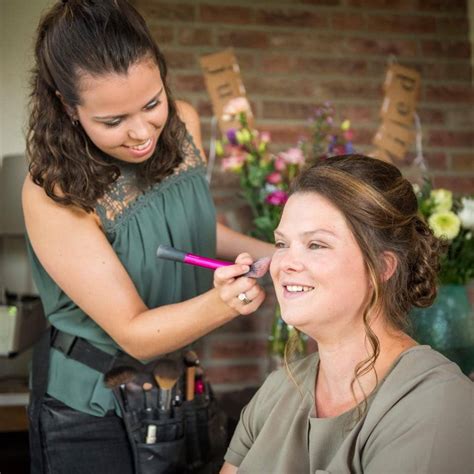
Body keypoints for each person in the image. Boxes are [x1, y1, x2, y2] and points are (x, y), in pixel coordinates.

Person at [23, 1, 273, 472]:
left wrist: (283, 255)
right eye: (113, 122)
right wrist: (227, 301)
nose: (141, 133)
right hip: (93, 411)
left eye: (152, 103)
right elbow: (136, 334)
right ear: (65, 106)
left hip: (178, 388)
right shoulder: (53, 189)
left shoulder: (183, 125)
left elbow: (194, 229)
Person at [219, 155, 474, 473]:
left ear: (382, 267)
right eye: (282, 243)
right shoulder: (277, 389)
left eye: (316, 245)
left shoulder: (437, 404)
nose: (284, 264)